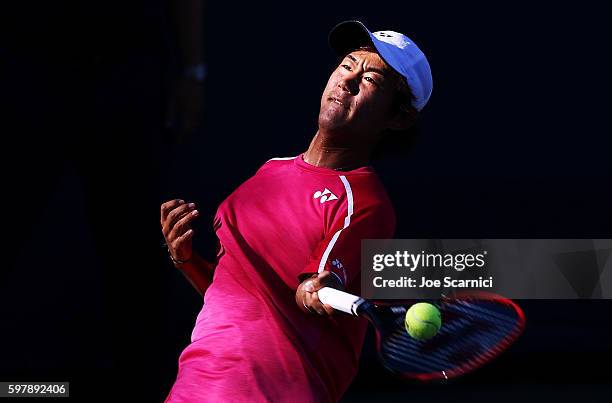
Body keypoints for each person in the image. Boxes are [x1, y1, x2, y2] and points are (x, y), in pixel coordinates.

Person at [161, 20, 432, 403]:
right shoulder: (268, 171)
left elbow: (315, 289)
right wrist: (186, 260)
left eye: (370, 79)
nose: (349, 79)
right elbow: (245, 302)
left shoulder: (364, 200)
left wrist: (316, 290)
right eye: (347, 64)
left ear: (398, 117)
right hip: (197, 383)